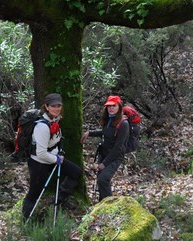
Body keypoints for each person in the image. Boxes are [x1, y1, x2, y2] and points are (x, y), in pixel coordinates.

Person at [21, 92, 82, 220]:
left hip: (53, 158)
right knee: (34, 193)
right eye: (53, 106)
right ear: (47, 107)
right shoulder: (42, 126)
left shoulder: (55, 120)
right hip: (39, 162)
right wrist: (57, 159)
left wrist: (58, 154)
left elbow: (56, 140)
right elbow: (41, 153)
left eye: (59, 105)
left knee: (76, 172)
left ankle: (59, 200)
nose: (57, 108)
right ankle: (26, 220)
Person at [81, 95, 130, 201]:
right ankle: (101, 205)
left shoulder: (124, 124)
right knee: (100, 180)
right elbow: (104, 132)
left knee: (103, 179)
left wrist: (104, 163)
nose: (111, 108)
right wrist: (89, 133)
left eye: (114, 106)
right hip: (103, 153)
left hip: (115, 157)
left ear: (119, 107)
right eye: (109, 106)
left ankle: (109, 207)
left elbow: (118, 147)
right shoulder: (108, 119)